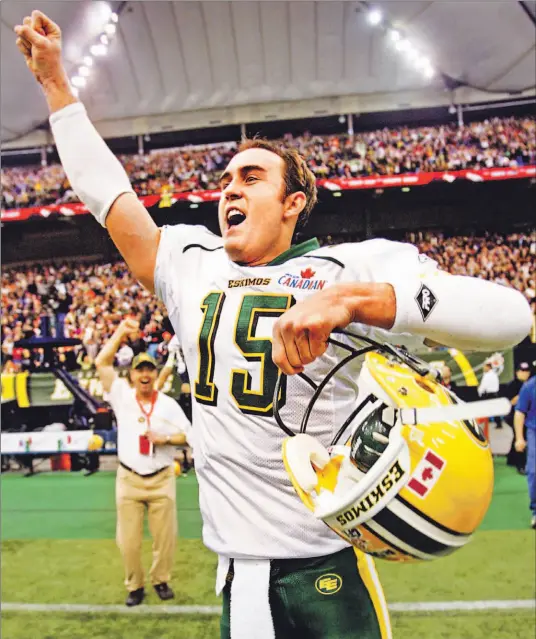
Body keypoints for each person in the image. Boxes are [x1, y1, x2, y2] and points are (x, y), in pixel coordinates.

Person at [15, 13, 533, 637]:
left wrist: (355, 302)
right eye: (225, 180)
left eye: (251, 178)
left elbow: (512, 315)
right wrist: (56, 89)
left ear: (293, 204)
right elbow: (110, 198)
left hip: (328, 566)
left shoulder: (351, 267)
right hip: (238, 573)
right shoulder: (191, 264)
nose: (228, 190)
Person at [94, 318, 191, 606]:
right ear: (133, 375)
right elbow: (101, 362)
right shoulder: (122, 396)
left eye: (149, 369)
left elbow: (190, 436)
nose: (145, 375)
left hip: (161, 478)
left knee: (165, 540)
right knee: (129, 542)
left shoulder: (168, 405)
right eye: (140, 370)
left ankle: (161, 580)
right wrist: (121, 331)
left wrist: (167, 439)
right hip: (129, 479)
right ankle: (134, 585)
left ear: (155, 373)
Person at [514, 372, 536, 529]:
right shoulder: (530, 386)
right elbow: (519, 412)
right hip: (534, 431)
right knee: (534, 471)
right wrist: (519, 438)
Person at [505, 363, 531, 473]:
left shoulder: (530, 384)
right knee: (520, 437)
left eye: (526, 371)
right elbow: (510, 401)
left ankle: (511, 459)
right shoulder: (512, 385)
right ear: (517, 372)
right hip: (513, 416)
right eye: (522, 371)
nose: (524, 373)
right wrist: (522, 396)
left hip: (527, 416)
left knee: (518, 437)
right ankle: (520, 464)